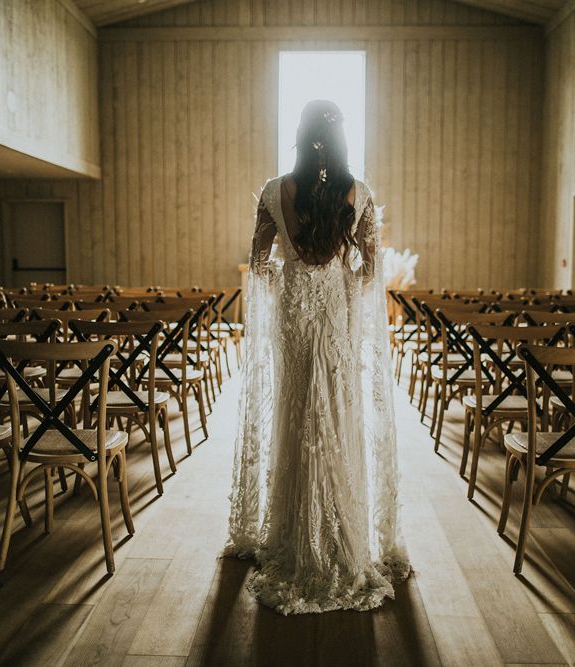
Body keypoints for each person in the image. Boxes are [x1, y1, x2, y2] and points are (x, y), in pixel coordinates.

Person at [225, 99, 409, 615]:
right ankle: (336, 533)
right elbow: (372, 269)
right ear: (341, 138)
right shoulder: (358, 192)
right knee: (336, 413)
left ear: (299, 135)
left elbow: (258, 261)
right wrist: (339, 281)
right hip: (336, 315)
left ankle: (291, 531)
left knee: (296, 413)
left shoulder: (274, 191)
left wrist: (289, 275)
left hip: (293, 316)